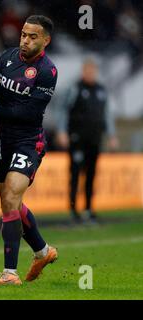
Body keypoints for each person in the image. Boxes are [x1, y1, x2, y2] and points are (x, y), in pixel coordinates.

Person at [0, 15, 58, 285]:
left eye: (32, 36)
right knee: (10, 203)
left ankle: (9, 273)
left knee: (11, 197)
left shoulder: (48, 71)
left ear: (45, 40)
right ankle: (43, 251)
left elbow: (28, 112)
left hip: (27, 141)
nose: (25, 40)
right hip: (2, 140)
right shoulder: (8, 56)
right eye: (24, 34)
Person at [56, 58, 119, 223]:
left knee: (91, 174)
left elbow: (106, 115)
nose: (90, 73)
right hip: (77, 138)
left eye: (93, 71)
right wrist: (62, 131)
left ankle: (89, 208)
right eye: (87, 70)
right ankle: (73, 209)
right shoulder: (75, 88)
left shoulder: (101, 90)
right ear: (83, 71)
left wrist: (111, 135)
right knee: (76, 174)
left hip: (94, 139)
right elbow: (64, 110)